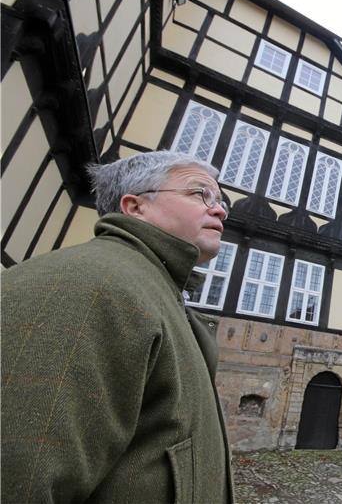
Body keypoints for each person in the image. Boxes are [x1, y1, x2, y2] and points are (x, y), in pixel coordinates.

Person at [1, 151, 234, 503]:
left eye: (220, 200)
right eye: (200, 194)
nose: (219, 210)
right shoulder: (89, 284)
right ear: (135, 206)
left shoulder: (153, 290)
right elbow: (20, 476)